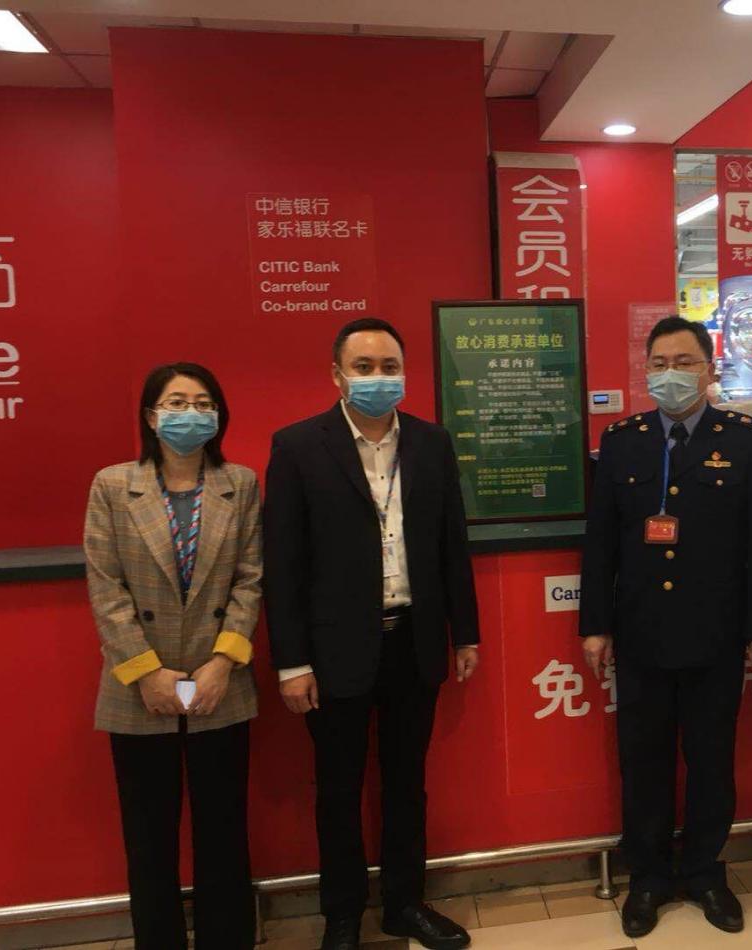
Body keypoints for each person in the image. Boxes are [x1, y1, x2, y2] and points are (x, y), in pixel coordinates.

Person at [263, 318, 479, 950]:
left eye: (389, 366)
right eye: (364, 367)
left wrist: (464, 633)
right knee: (338, 789)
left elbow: (451, 544)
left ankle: (404, 904)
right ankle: (342, 917)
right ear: (337, 375)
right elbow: (284, 563)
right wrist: (291, 662)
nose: (378, 378)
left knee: (407, 783)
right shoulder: (298, 447)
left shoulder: (432, 443)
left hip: (414, 638)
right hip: (334, 650)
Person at [579, 316, 752, 938]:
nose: (670, 374)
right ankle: (647, 877)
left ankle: (704, 872)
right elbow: (601, 543)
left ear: (709, 369)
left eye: (684, 362)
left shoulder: (746, 440)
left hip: (716, 634)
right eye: (660, 363)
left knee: (711, 760)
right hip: (641, 632)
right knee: (642, 762)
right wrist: (595, 625)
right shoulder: (623, 440)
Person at [84, 362, 261, 950]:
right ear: (151, 415)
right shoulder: (113, 486)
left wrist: (222, 663)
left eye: (203, 403)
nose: (191, 413)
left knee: (224, 832)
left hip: (219, 682)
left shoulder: (240, 483)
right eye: (177, 402)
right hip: (140, 687)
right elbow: (106, 587)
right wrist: (146, 673)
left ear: (219, 415)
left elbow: (250, 580)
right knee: (149, 838)